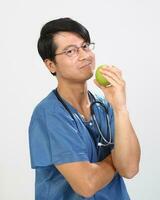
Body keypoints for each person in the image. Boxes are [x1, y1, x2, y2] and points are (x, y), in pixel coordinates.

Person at [29, 17, 141, 200]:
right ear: (50, 65)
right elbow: (86, 185)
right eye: (71, 51)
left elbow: (130, 169)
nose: (84, 55)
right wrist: (116, 158)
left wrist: (120, 108)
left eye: (85, 46)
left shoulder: (105, 104)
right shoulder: (49, 114)